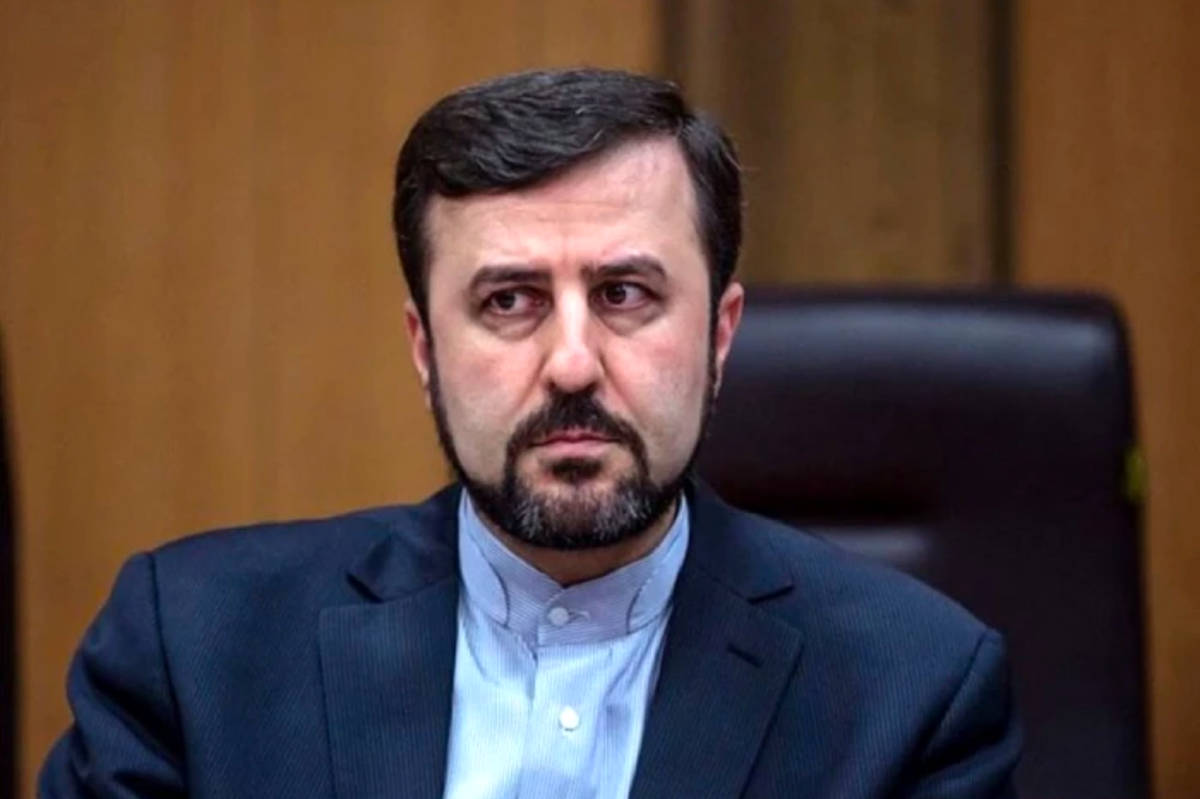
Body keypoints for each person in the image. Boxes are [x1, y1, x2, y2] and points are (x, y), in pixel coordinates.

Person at [40, 68, 1021, 798]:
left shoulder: (912, 693)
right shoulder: (193, 650)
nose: (572, 363)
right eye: (509, 300)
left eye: (625, 293)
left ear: (719, 335)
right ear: (425, 346)